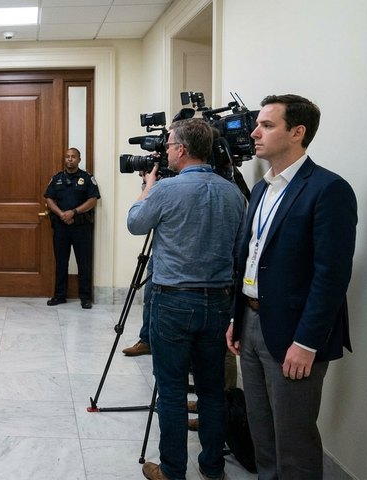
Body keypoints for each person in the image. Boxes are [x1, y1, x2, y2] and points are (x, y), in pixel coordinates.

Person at [227, 94, 357, 479]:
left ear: (297, 133)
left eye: (267, 125)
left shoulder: (328, 189)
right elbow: (250, 258)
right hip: (251, 325)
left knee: (294, 441)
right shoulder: (263, 190)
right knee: (262, 434)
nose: (254, 132)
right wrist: (237, 317)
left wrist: (307, 342)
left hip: (295, 334)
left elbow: (330, 275)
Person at [127, 118, 245, 480]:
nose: (165, 150)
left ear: (181, 149)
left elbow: (135, 223)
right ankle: (212, 467)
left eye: (168, 145)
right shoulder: (234, 194)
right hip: (219, 303)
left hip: (173, 301)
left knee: (172, 388)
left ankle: (173, 470)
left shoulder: (167, 189)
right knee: (211, 390)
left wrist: (147, 187)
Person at [44, 147, 100, 309]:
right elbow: (49, 199)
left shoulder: (87, 178)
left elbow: (93, 200)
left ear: (79, 160)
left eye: (73, 157)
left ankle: (85, 297)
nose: (70, 159)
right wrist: (62, 214)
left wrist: (73, 212)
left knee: (84, 262)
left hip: (81, 227)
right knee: (61, 262)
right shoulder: (56, 179)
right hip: (61, 227)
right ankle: (59, 295)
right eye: (67, 156)